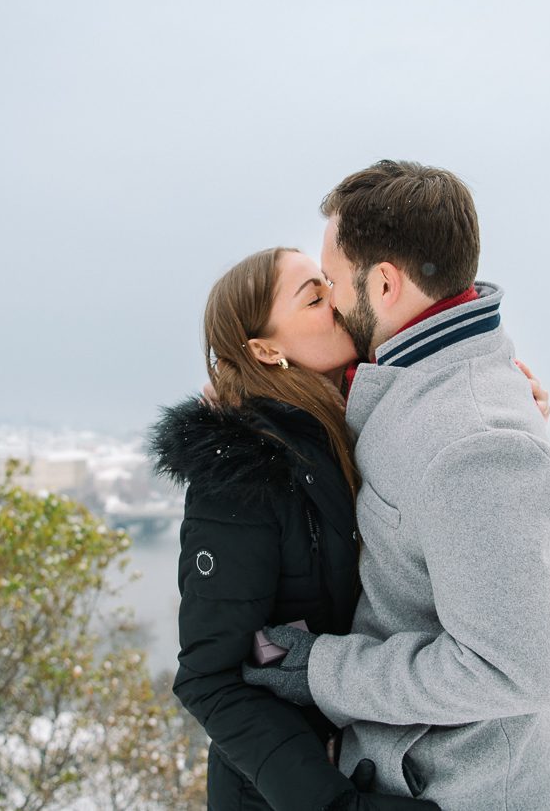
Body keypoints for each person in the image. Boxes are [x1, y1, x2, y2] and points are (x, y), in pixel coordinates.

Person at [243, 160, 550, 811]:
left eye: (335, 283)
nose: (333, 302)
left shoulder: (480, 443)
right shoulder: (424, 373)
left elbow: (506, 668)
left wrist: (320, 669)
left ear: (387, 283)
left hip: (470, 791)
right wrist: (244, 391)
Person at [149, 247, 442, 810]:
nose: (338, 302)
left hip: (369, 751)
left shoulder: (355, 423)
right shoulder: (243, 472)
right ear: (265, 349)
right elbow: (210, 678)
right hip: (280, 791)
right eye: (314, 296)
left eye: (330, 284)